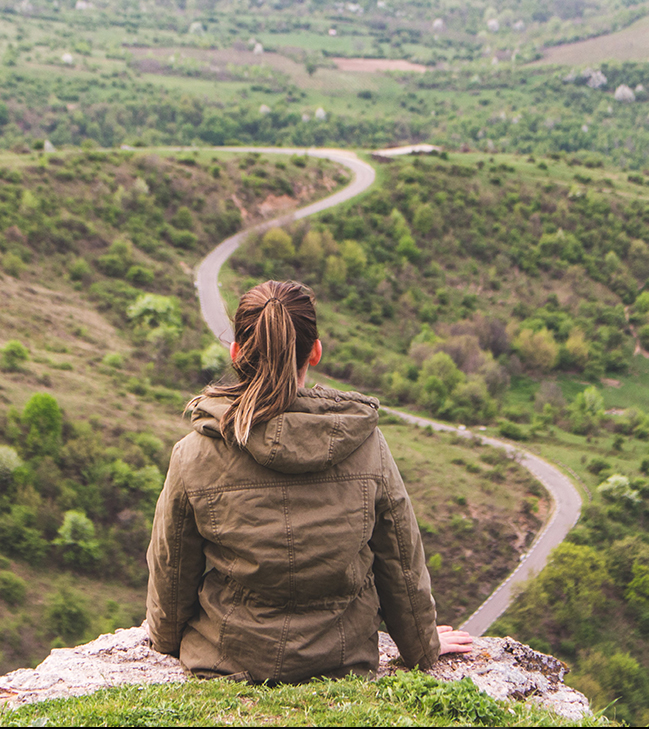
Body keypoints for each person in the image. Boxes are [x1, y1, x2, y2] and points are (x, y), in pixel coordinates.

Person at [146, 280, 471, 684]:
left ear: (236, 354)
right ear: (315, 351)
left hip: (226, 660)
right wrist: (422, 647)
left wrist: (164, 640)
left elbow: (172, 567)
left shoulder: (194, 453)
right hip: (342, 661)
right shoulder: (366, 444)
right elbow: (400, 560)